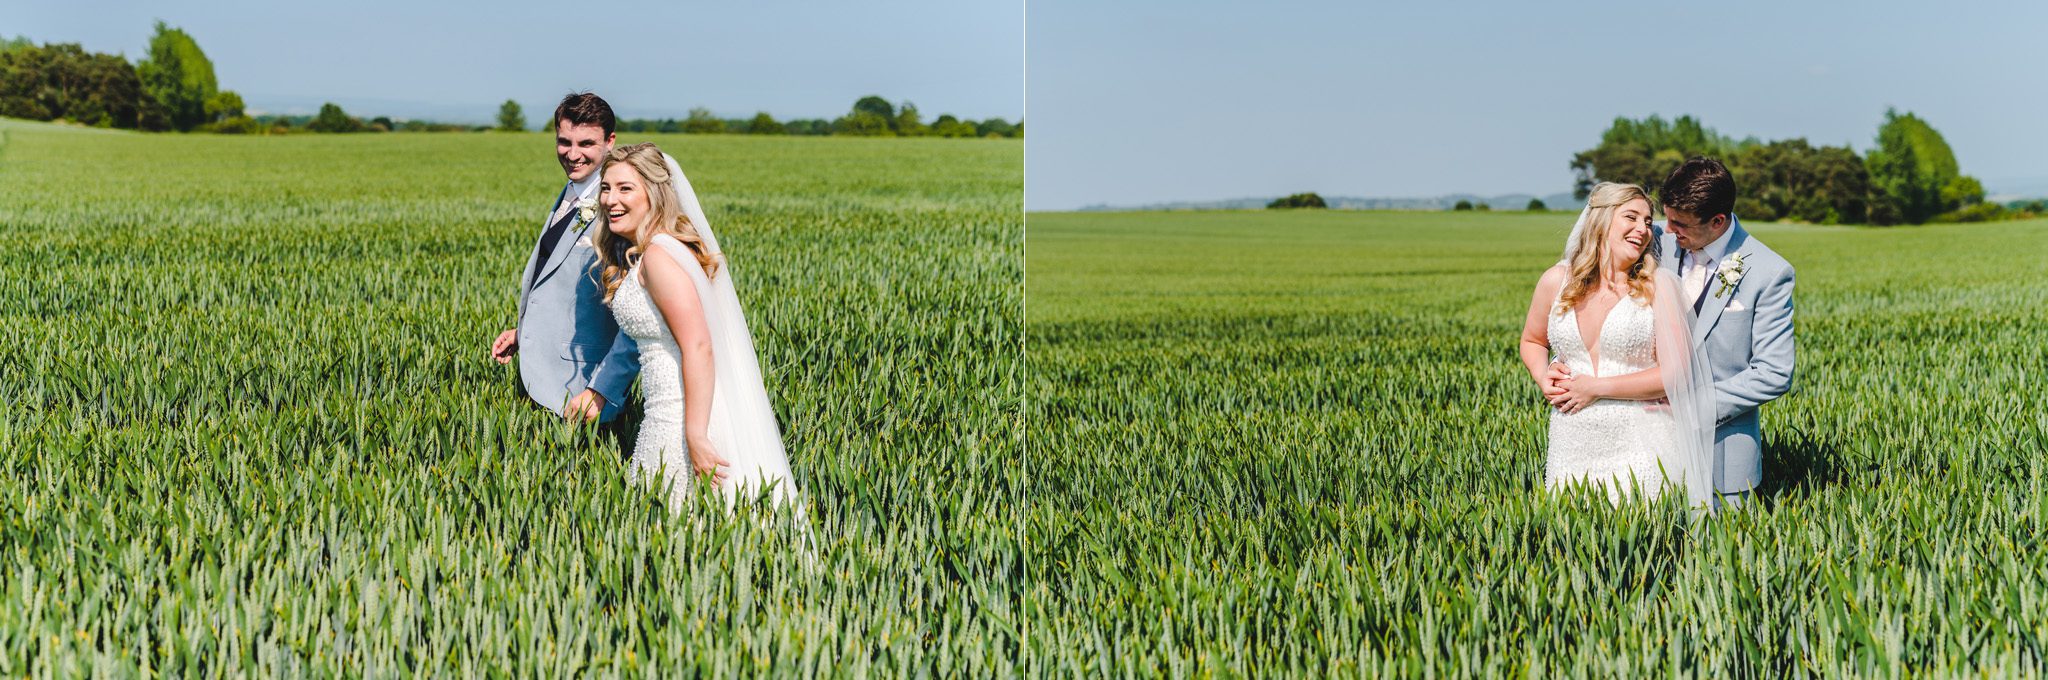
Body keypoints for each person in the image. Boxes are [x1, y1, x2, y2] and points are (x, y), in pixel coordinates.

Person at [593, 142, 801, 509]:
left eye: (626, 188)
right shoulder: (653, 252)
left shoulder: (659, 256)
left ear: (655, 194)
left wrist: (694, 434)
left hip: (679, 419)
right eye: (606, 188)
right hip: (662, 414)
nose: (611, 199)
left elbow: (699, 346)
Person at [1520, 182, 1717, 506]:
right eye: (1631, 217)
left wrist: (1596, 387)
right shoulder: (1556, 280)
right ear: (1601, 220)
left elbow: (1675, 374)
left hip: (1641, 445)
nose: (1643, 229)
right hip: (1571, 442)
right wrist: (1544, 377)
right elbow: (1531, 340)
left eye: (1646, 221)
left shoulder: (1659, 287)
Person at [1649, 157, 1796, 510]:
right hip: (1647, 450)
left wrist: (1694, 408)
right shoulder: (1654, 240)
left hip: (1723, 460)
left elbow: (1774, 372)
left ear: (1717, 222)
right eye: (1666, 217)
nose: (1667, 229)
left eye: (1679, 223)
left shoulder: (1769, 272)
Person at [491, 92, 639, 425]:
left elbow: (636, 317)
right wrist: (525, 332)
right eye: (564, 142)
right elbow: (565, 284)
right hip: (543, 382)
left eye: (586, 143)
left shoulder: (617, 211)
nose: (572, 155)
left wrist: (602, 390)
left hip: (583, 394)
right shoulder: (572, 192)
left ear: (610, 142)